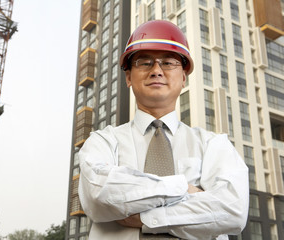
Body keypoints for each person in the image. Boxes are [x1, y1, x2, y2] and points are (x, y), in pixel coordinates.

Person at [78, 20, 249, 240]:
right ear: (128, 76)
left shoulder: (213, 144)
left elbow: (232, 211)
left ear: (184, 78)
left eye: (168, 63)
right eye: (145, 62)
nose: (157, 70)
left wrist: (143, 217)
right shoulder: (103, 141)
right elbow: (99, 195)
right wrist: (184, 188)